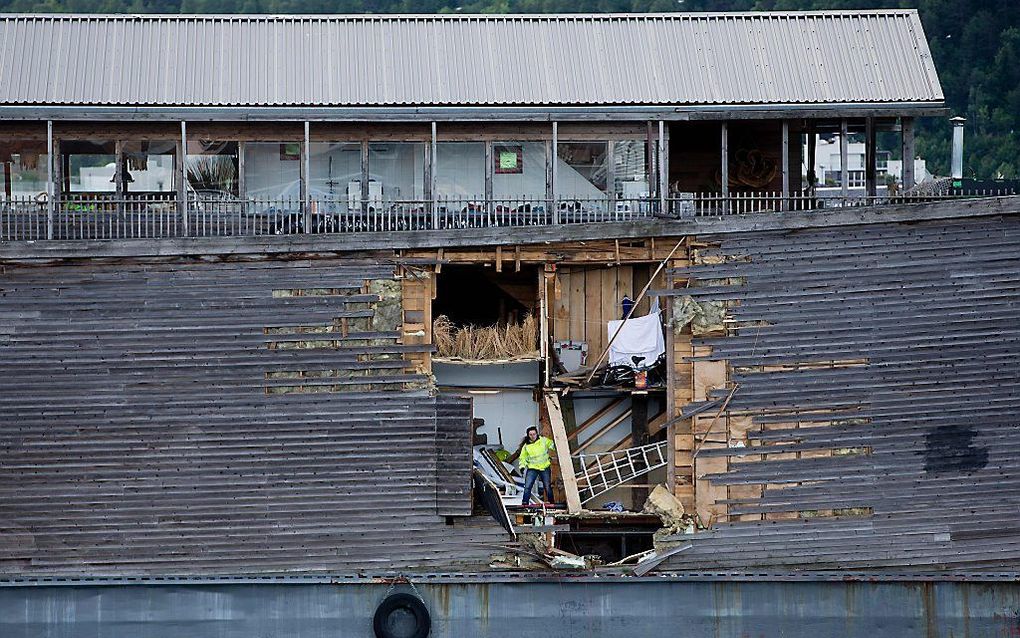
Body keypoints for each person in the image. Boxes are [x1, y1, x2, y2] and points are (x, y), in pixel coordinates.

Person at [518, 426, 555, 505]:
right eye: (530, 434)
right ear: (528, 435)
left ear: (537, 434)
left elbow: (552, 445)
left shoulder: (543, 440)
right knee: (527, 486)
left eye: (534, 434)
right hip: (532, 468)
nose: (532, 436)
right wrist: (522, 467)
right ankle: (525, 503)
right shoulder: (526, 446)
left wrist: (558, 444)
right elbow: (522, 458)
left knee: (547, 486)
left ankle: (552, 503)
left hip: (544, 467)